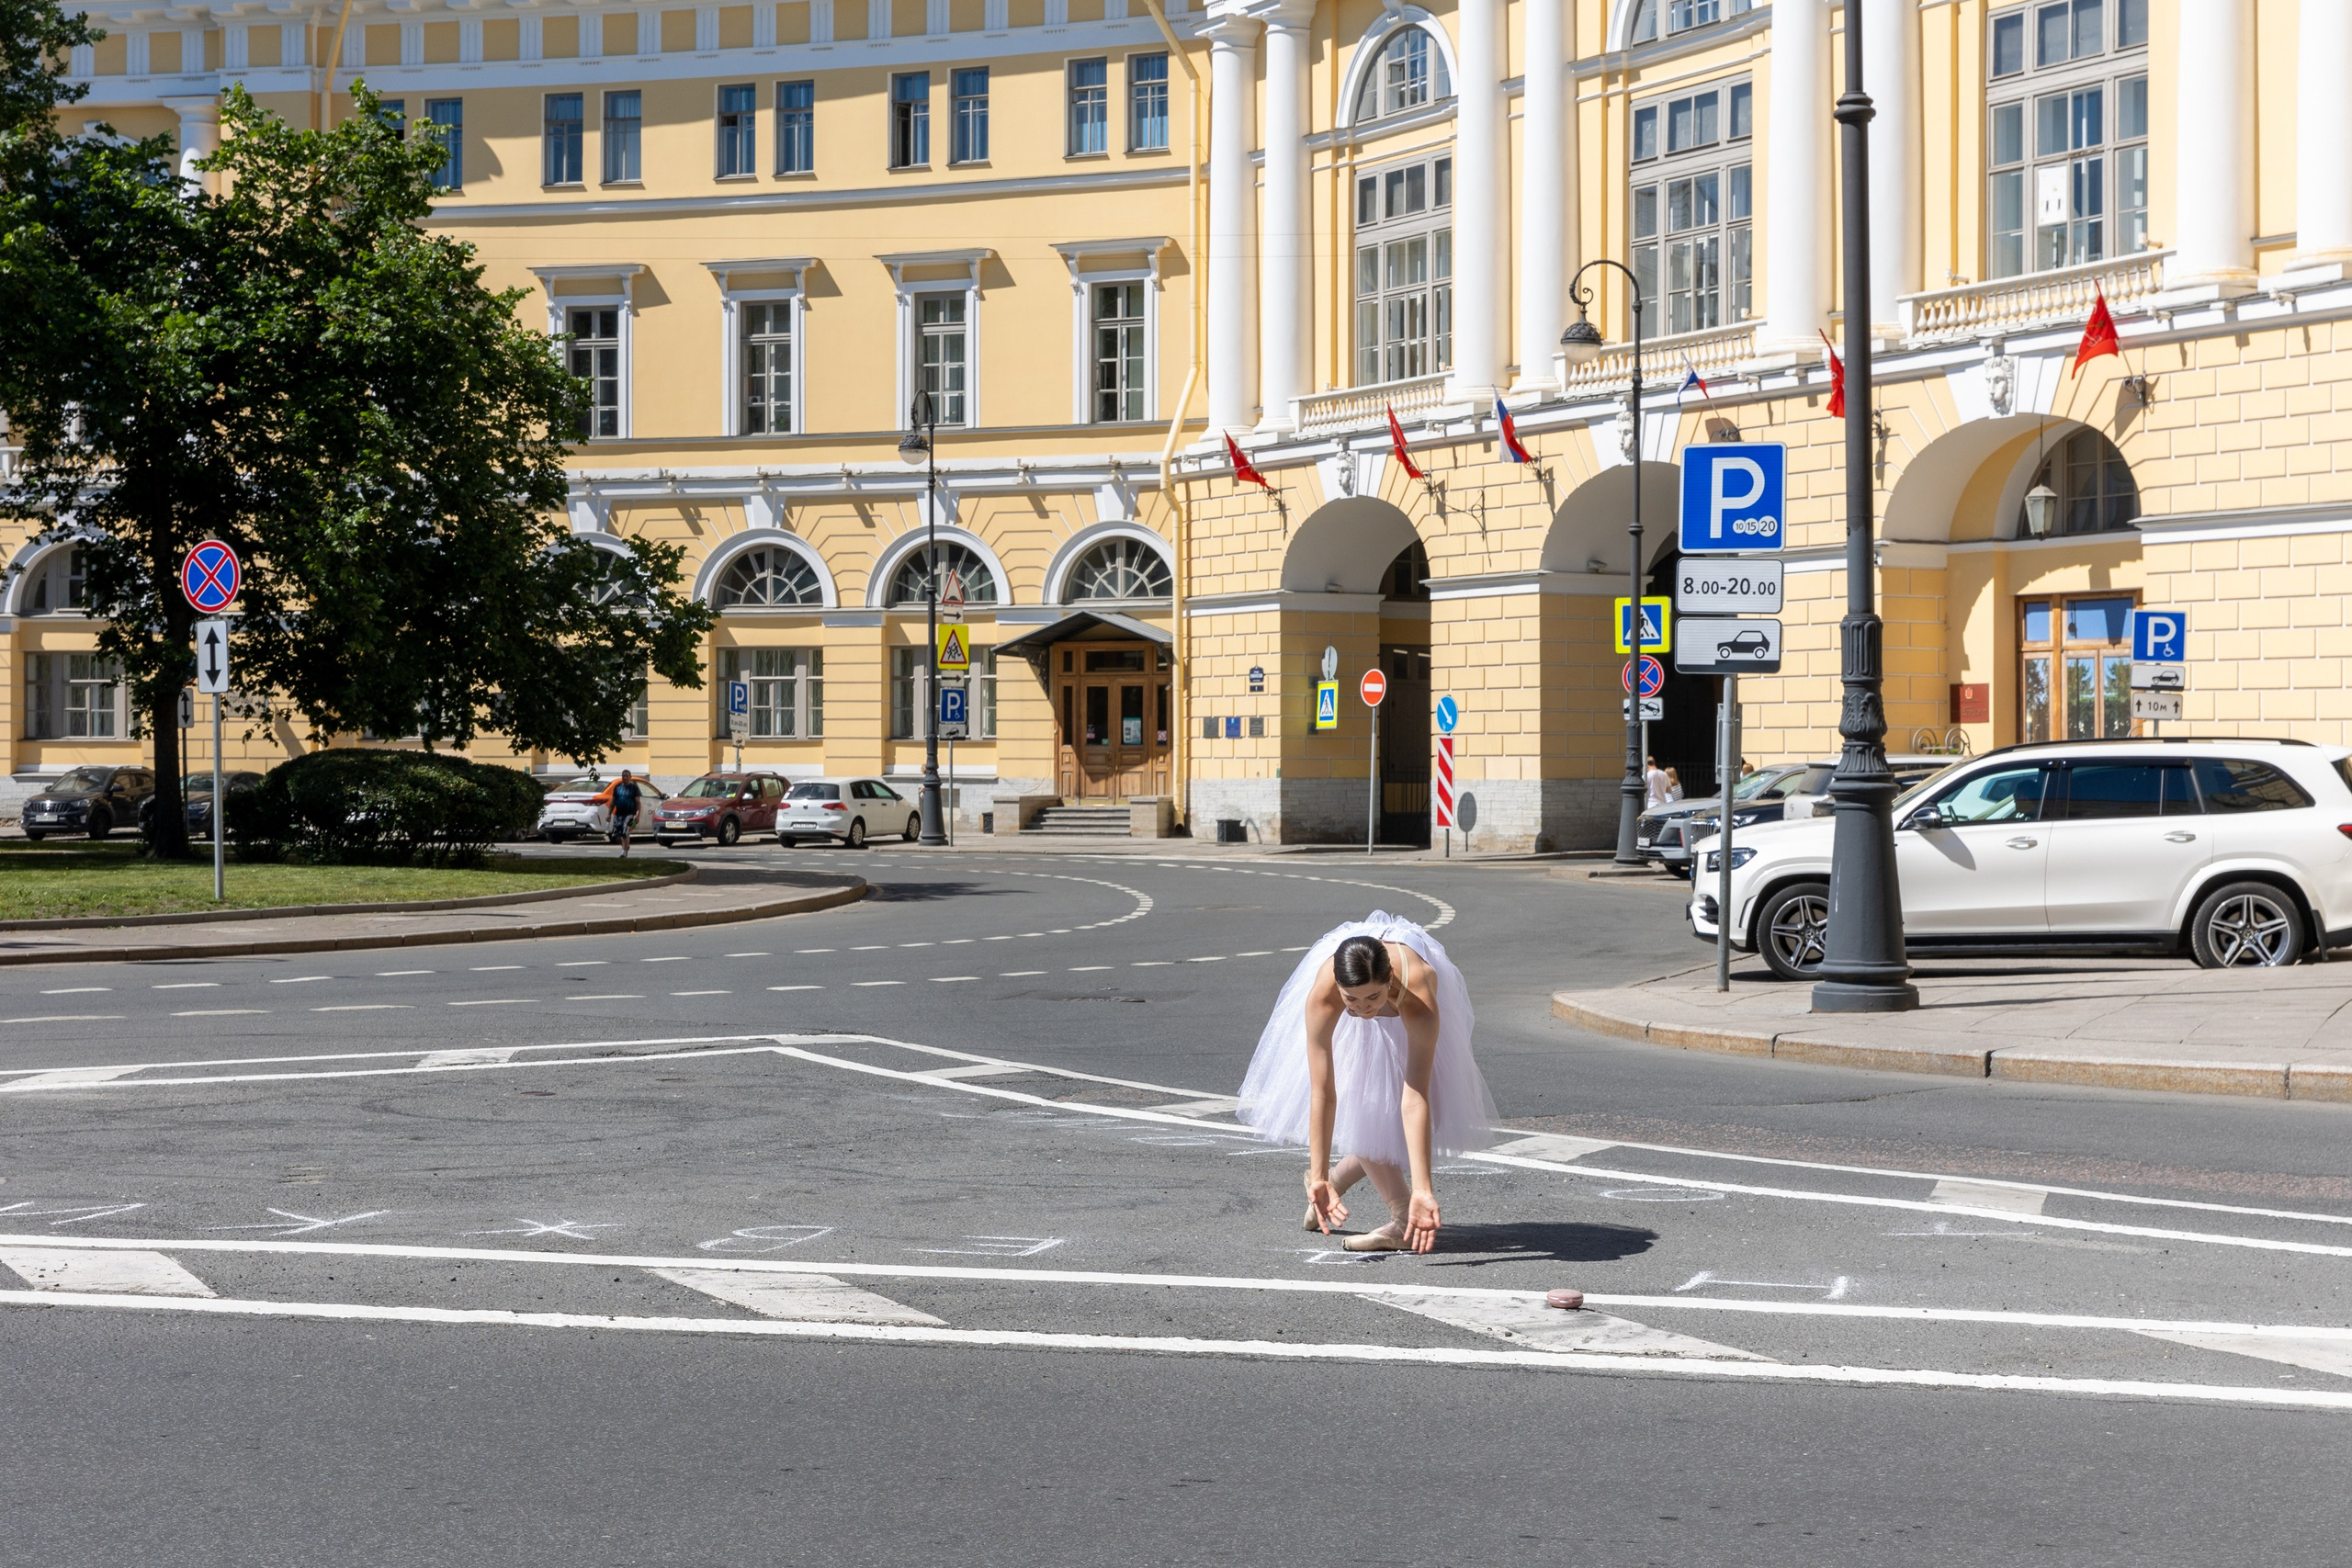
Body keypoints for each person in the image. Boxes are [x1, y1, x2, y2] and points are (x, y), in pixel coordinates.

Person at [1238, 912, 1498, 1254]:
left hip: (1406, 998)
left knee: (1406, 1115)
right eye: (1352, 1001)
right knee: (1366, 1106)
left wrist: (1424, 1188)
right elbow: (1323, 1092)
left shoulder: (1418, 989)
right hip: (1356, 975)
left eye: (1372, 998)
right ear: (1338, 987)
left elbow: (1415, 1096)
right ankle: (1400, 1214)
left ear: (1389, 979)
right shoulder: (1325, 995)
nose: (1363, 1010)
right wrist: (1316, 1177)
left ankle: (1355, 1184)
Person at [597, 770, 643, 857]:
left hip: (629, 813)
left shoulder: (634, 788)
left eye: (627, 776)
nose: (625, 778)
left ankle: (623, 853)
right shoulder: (617, 787)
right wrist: (609, 814)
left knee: (625, 832)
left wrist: (637, 815)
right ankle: (625, 846)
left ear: (630, 777)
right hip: (618, 813)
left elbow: (638, 802)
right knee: (615, 834)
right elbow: (613, 801)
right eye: (623, 776)